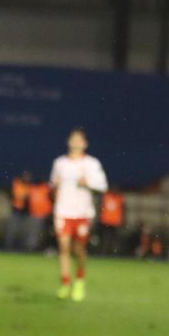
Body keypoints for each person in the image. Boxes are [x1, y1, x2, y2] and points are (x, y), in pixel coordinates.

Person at [50, 128, 108, 301]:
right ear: (69, 142)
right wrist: (55, 186)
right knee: (63, 246)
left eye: (79, 140)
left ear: (85, 143)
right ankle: (65, 282)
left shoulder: (91, 164)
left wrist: (87, 182)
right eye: (73, 139)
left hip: (82, 212)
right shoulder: (59, 163)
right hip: (63, 211)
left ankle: (80, 279)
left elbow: (103, 185)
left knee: (79, 249)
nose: (75, 142)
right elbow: (52, 187)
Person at [5, 171, 33, 251]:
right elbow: (9, 193)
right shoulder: (16, 183)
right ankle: (9, 246)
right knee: (12, 229)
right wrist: (14, 199)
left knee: (24, 230)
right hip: (16, 209)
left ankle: (23, 246)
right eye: (25, 176)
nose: (27, 178)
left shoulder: (30, 186)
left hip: (25, 211)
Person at [25, 179, 53, 252]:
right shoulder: (32, 188)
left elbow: (52, 198)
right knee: (33, 233)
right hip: (34, 214)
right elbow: (27, 200)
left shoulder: (46, 188)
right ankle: (31, 249)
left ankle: (43, 248)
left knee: (44, 234)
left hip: (45, 215)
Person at [98, 189, 124, 256]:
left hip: (115, 222)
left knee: (114, 239)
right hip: (106, 221)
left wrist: (123, 220)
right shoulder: (106, 196)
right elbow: (100, 207)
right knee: (105, 238)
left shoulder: (119, 197)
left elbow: (123, 209)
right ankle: (104, 252)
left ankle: (113, 253)